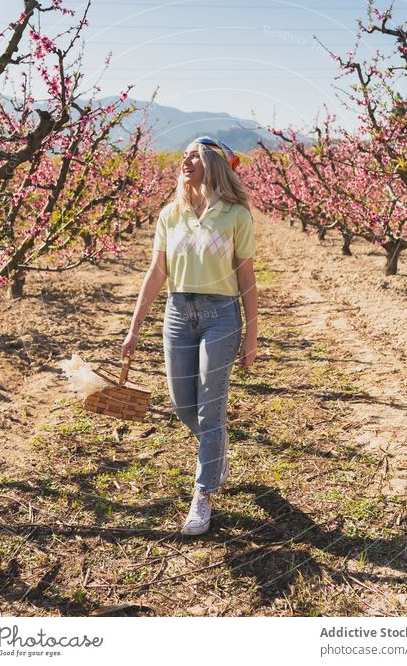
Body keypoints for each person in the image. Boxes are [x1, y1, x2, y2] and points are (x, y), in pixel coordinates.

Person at [121, 136, 258, 536]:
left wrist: (252, 334)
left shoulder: (236, 215)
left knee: (209, 408)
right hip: (178, 313)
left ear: (213, 163)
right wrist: (134, 328)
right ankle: (215, 453)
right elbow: (155, 274)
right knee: (184, 407)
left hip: (221, 315)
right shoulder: (171, 215)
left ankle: (202, 495)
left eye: (194, 155)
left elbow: (247, 278)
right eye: (183, 155)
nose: (186, 160)